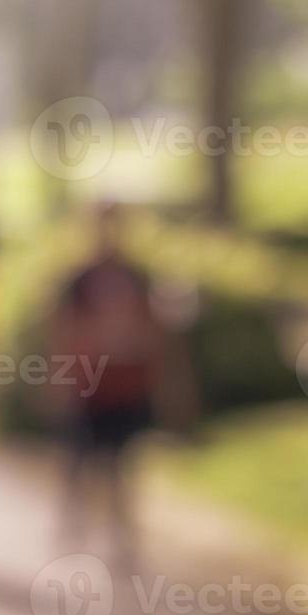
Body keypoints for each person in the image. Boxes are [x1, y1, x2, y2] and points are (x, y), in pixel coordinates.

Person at [50, 202, 189, 567]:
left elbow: (155, 330)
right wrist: (57, 378)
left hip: (126, 385)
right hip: (88, 384)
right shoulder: (78, 280)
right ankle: (73, 527)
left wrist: (163, 379)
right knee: (80, 461)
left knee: (122, 466)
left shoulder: (137, 277)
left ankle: (121, 537)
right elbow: (63, 331)